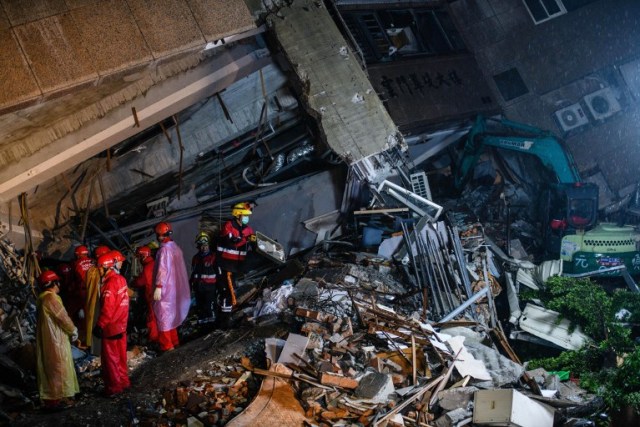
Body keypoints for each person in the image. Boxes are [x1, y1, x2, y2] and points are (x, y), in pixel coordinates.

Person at [35, 270, 79, 410]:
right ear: (53, 283)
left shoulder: (42, 298)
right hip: (56, 340)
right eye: (57, 282)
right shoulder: (51, 298)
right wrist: (73, 330)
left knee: (50, 368)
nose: (59, 284)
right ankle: (55, 401)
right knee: (58, 369)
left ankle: (56, 399)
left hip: (48, 339)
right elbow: (62, 318)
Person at [93, 251, 130, 397]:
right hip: (122, 325)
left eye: (100, 268)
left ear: (106, 267)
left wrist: (100, 325)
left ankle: (114, 388)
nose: (98, 271)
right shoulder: (121, 279)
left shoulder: (109, 284)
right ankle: (124, 382)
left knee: (111, 361)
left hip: (111, 327)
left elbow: (108, 309)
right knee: (121, 357)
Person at [152, 222, 191, 352]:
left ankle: (167, 346)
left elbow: (162, 270)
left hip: (165, 289)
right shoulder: (176, 248)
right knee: (171, 318)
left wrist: (158, 286)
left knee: (163, 317)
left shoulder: (164, 250)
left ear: (160, 235)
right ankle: (175, 342)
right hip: (175, 289)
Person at [216, 202, 256, 327]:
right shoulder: (228, 226)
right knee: (228, 293)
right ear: (238, 215)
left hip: (236, 266)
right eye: (244, 215)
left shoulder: (248, 229)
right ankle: (224, 322)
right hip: (225, 265)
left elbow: (253, 244)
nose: (246, 218)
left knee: (230, 292)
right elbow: (231, 242)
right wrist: (246, 239)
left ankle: (225, 319)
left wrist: (257, 243)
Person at [85, 245, 110, 353]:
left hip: (92, 303)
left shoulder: (91, 270)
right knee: (98, 326)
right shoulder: (97, 272)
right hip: (97, 304)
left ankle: (96, 351)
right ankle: (98, 352)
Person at [132, 245, 158, 343]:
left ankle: (154, 340)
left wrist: (133, 282)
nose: (139, 260)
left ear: (143, 256)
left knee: (152, 320)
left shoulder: (148, 267)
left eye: (139, 257)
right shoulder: (155, 263)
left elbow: (141, 282)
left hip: (152, 297)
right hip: (160, 296)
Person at [190, 232, 217, 324]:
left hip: (210, 287)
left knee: (210, 306)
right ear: (198, 246)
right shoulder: (195, 258)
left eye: (206, 245)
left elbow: (219, 273)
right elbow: (193, 273)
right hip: (198, 287)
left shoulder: (213, 257)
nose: (204, 247)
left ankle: (212, 324)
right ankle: (202, 324)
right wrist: (191, 284)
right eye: (202, 245)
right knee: (200, 307)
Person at [71, 245, 94, 336]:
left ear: (77, 255)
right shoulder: (93, 262)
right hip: (95, 291)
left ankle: (83, 334)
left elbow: (73, 279)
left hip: (83, 292)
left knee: (82, 315)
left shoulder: (75, 263)